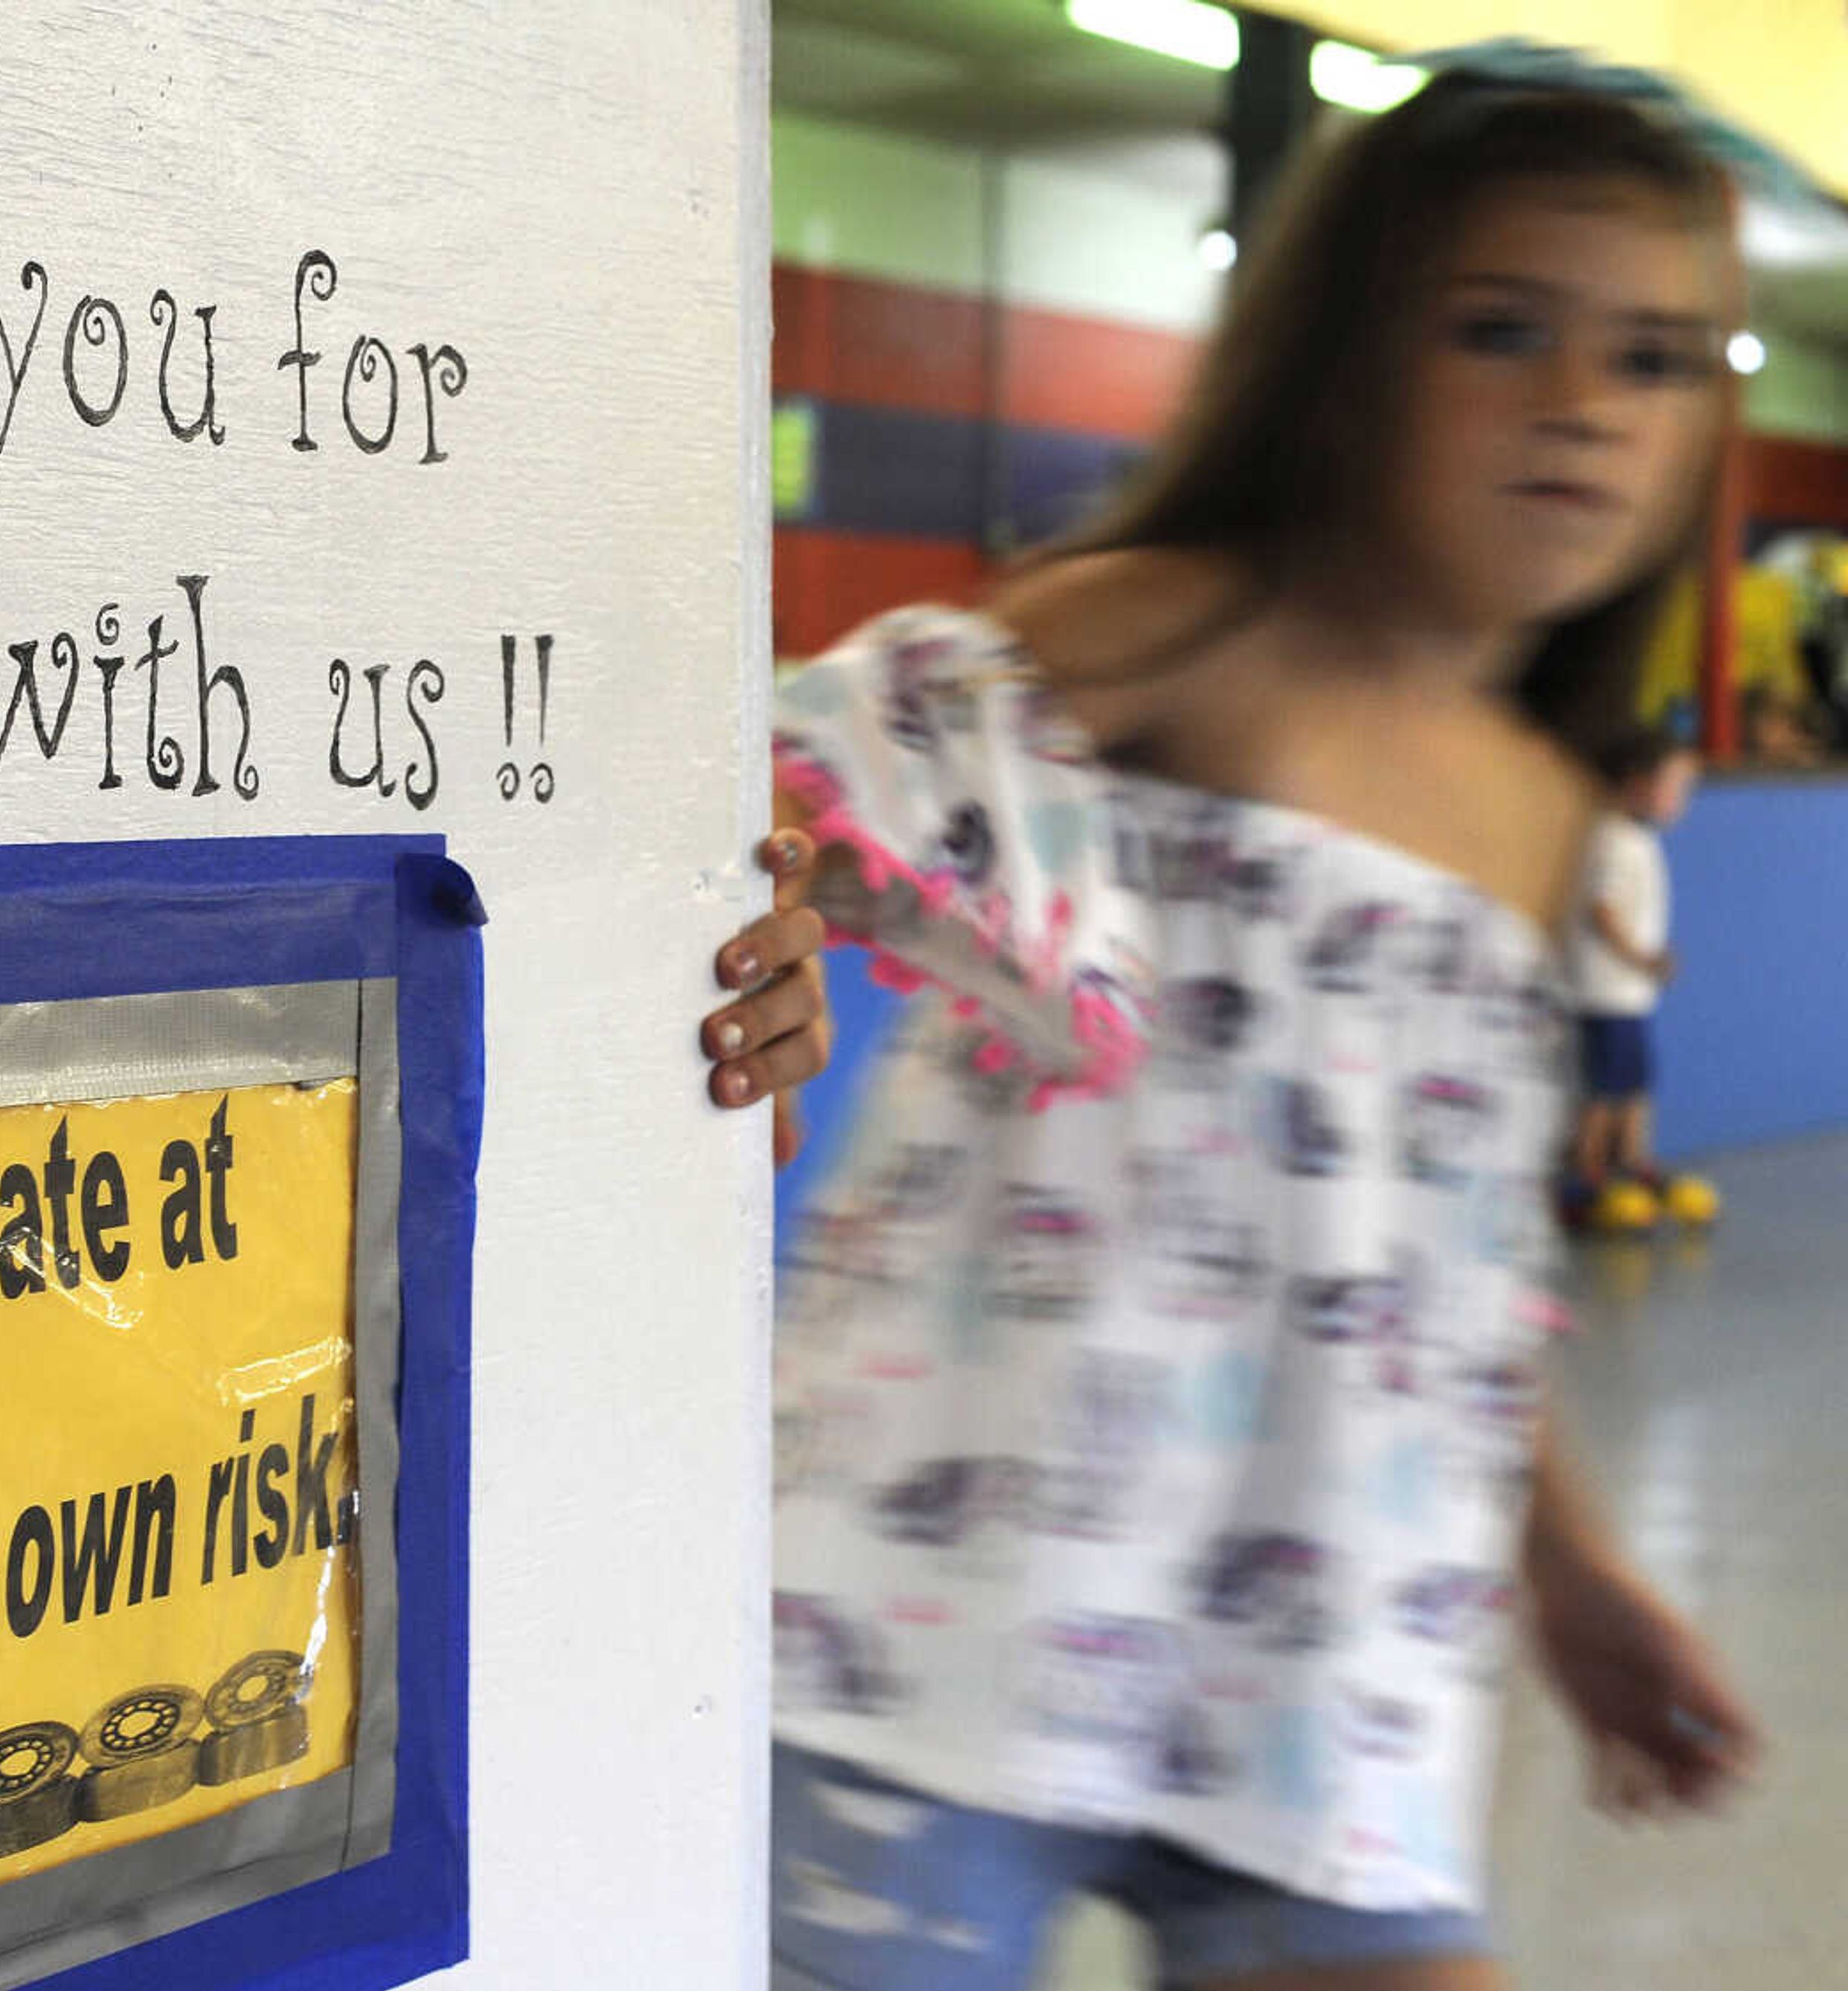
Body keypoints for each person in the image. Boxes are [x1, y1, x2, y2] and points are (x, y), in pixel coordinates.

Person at [702, 78, 1764, 1991]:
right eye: (1502, 328)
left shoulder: (1544, 814)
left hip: (1327, 1672)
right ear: (1345, 365)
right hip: (939, 1623)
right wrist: (766, 922)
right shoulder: (1190, 630)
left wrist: (1570, 1567)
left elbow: (1432, 1270)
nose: (1583, 403)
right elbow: (807, 771)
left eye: (1657, 356)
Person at [1565, 728, 1699, 1221]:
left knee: (1637, 1081)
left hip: (1631, 994)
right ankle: (1585, 1174)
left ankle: (1633, 1162)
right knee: (1604, 1087)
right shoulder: (1613, 839)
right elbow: (1603, 911)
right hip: (1607, 992)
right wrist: (1643, 960)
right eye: (1676, 785)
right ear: (1639, 784)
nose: (1683, 798)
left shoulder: (1636, 839)